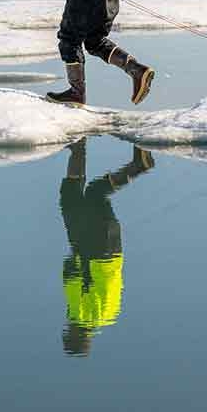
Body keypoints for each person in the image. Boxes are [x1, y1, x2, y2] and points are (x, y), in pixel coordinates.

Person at [60, 138, 156, 356]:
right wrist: (70, 266)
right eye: (69, 333)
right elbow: (72, 277)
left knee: (93, 195)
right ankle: (79, 146)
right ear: (76, 334)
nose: (67, 327)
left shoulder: (109, 315)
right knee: (73, 198)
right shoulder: (81, 315)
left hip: (112, 249)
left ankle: (135, 167)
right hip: (93, 250)